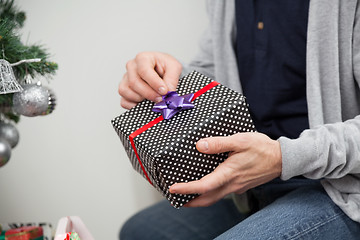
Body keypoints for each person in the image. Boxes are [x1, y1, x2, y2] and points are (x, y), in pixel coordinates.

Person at [117, 0, 360, 239]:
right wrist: (169, 78)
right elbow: (217, 71)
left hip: (341, 184)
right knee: (139, 230)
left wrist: (282, 157)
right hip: (249, 186)